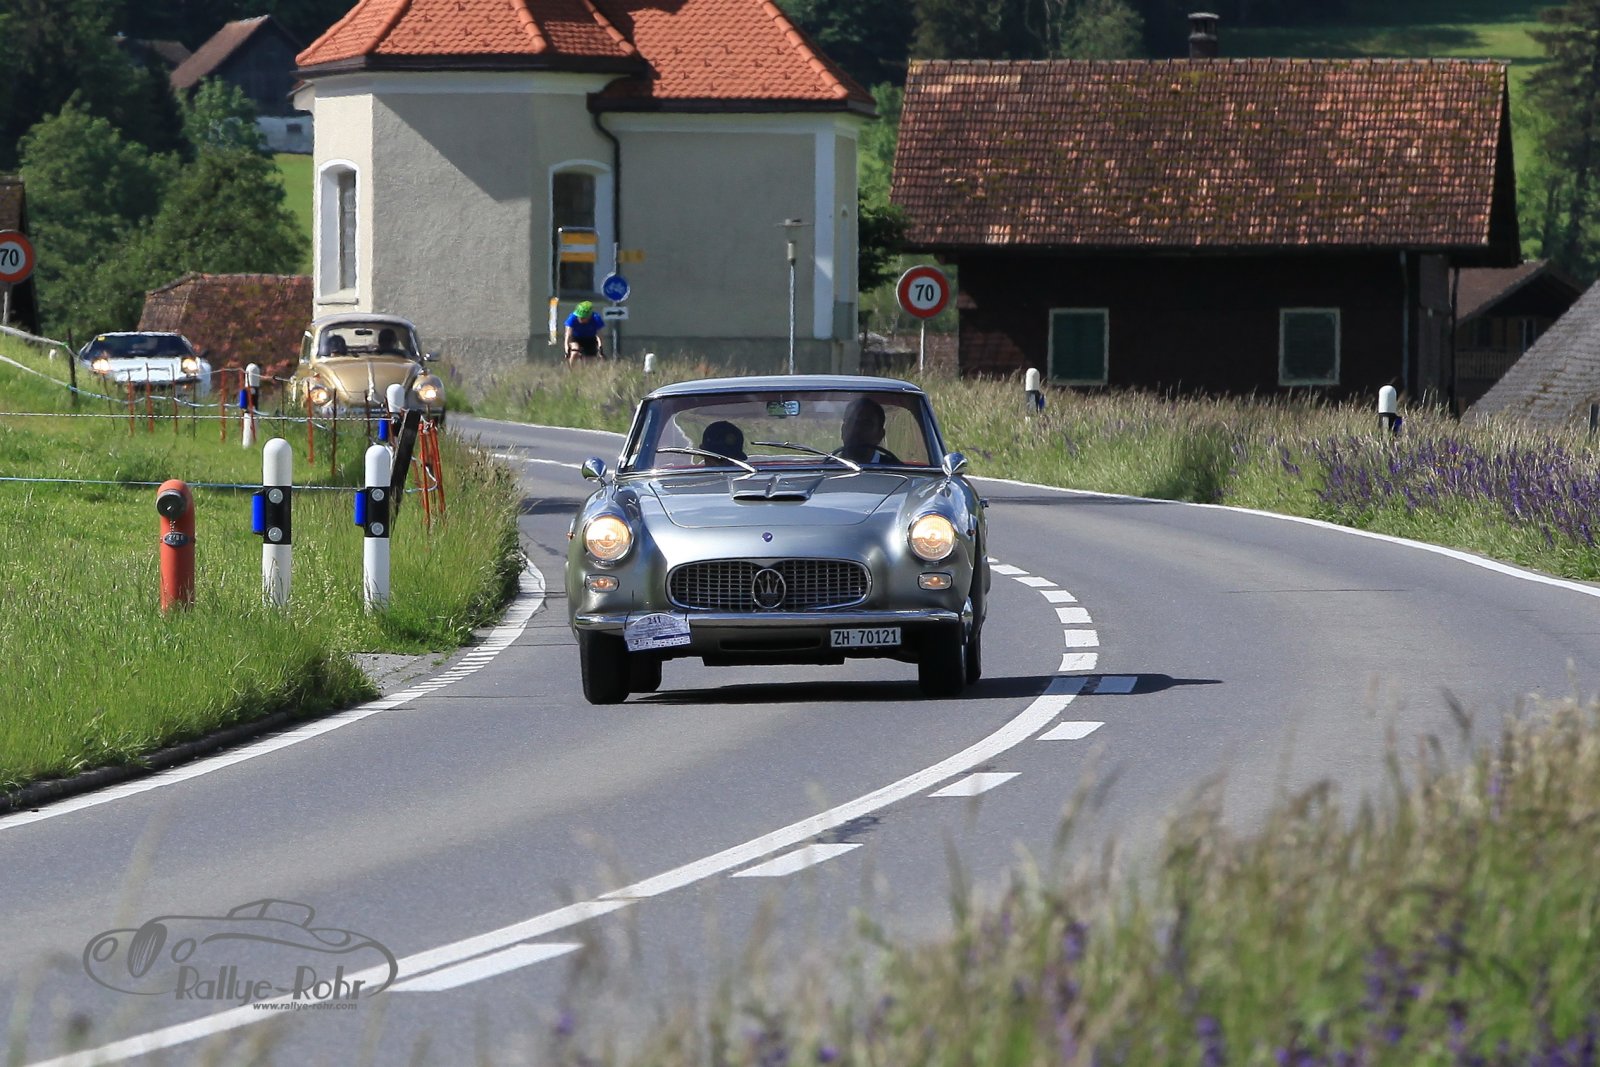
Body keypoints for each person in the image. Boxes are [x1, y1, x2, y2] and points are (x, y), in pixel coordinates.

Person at [836, 396, 901, 464]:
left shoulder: (896, 468)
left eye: (866, 424)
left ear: (880, 435)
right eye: (852, 422)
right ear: (843, 430)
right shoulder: (829, 467)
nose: (857, 429)